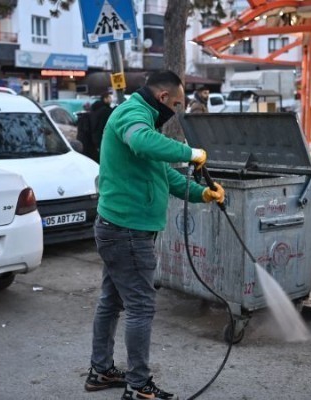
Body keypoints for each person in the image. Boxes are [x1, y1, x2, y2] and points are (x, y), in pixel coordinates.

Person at [84, 70, 225, 400]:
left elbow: (164, 176)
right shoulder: (133, 115)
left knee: (112, 300)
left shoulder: (144, 117)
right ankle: (138, 386)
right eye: (176, 104)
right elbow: (141, 140)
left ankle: (101, 370)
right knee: (140, 306)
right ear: (163, 98)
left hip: (119, 228)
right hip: (127, 230)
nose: (176, 110)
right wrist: (189, 152)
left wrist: (201, 193)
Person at [89, 91, 113, 162]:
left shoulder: (96, 109)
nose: (111, 99)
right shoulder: (105, 111)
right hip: (103, 137)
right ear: (105, 99)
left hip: (95, 138)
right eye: (109, 98)